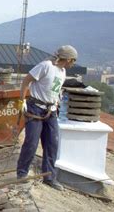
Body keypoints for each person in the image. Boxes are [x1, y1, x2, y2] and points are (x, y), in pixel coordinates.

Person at [16, 45, 78, 191]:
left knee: (52, 144)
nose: (73, 63)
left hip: (51, 110)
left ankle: (49, 177)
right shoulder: (45, 66)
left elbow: (55, 91)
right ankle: (22, 173)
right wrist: (21, 100)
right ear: (68, 58)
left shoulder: (62, 71)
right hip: (35, 108)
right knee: (31, 142)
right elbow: (26, 81)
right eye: (73, 60)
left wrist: (56, 105)